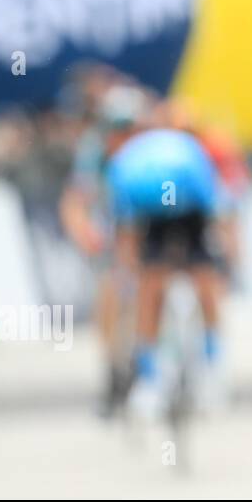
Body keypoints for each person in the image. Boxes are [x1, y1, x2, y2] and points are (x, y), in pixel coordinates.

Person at [104, 124, 228, 420]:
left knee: (153, 285)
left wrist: (128, 270)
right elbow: (218, 215)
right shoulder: (144, 165)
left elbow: (127, 233)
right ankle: (209, 365)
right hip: (180, 210)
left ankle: (155, 377)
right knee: (200, 279)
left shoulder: (127, 166)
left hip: (174, 211)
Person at [59, 83, 149, 416]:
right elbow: (75, 201)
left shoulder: (150, 148)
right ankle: (112, 371)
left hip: (145, 224)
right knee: (110, 295)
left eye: (130, 129)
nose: (123, 137)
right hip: (111, 226)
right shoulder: (94, 150)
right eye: (117, 129)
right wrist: (85, 233)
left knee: (148, 289)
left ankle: (146, 361)